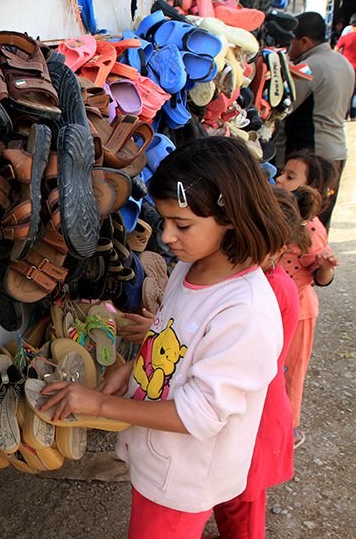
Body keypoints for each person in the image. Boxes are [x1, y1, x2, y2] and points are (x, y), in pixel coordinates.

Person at [40, 137, 291, 538]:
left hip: (184, 478)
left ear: (231, 216)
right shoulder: (189, 268)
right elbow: (171, 338)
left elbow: (198, 414)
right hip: (162, 460)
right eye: (165, 220)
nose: (167, 236)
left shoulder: (246, 312)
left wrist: (101, 404)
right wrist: (132, 368)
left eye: (182, 224)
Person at [211, 186, 304, 539]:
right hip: (252, 409)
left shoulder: (269, 288)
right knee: (230, 496)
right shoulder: (261, 279)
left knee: (243, 506)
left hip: (258, 416)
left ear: (278, 246)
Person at [274, 151, 339, 446]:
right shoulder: (279, 217)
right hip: (277, 307)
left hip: (299, 313)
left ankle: (288, 429)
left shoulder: (311, 229)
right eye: (282, 172)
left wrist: (325, 266)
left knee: (290, 370)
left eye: (290, 176)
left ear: (310, 189)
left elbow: (321, 278)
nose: (279, 179)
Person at [284, 12, 354, 229]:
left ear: (304, 41)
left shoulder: (309, 67)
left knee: (303, 220)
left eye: (292, 42)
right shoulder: (343, 62)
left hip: (313, 153)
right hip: (337, 151)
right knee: (321, 223)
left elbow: (285, 107)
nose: (289, 49)